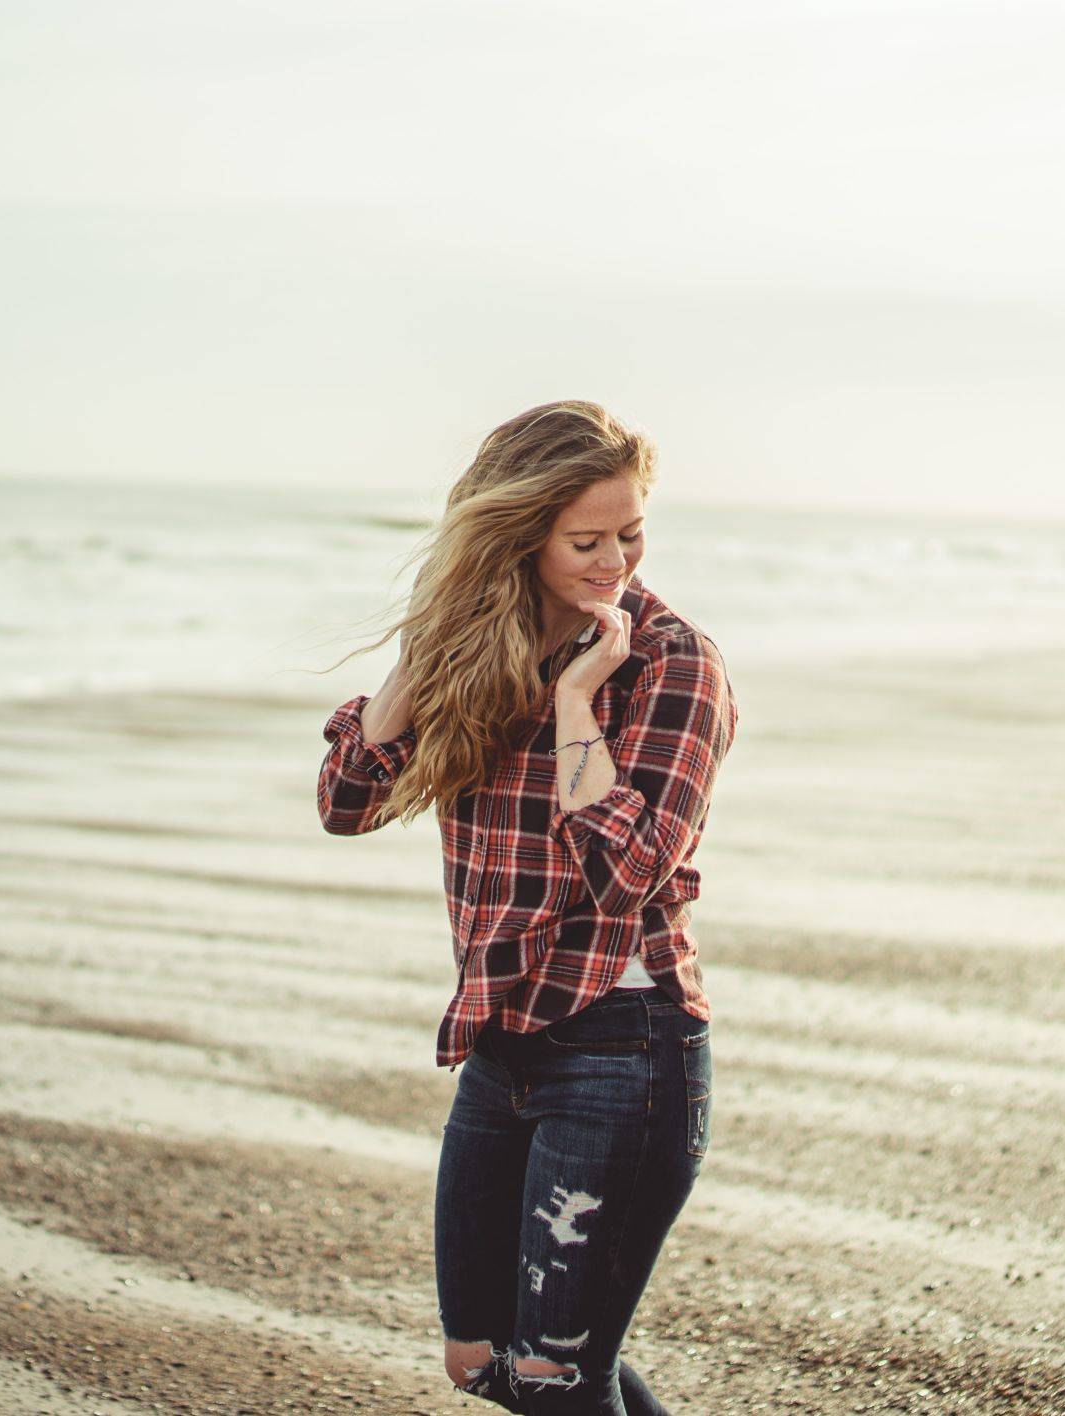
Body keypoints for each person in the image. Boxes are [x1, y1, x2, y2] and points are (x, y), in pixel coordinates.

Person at [314, 400, 738, 1412]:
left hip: (622, 1054)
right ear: (519, 539)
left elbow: (628, 871)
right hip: (501, 1048)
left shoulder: (673, 664)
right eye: (585, 540)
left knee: (555, 1378)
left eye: (629, 534)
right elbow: (346, 802)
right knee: (484, 1362)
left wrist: (574, 706)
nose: (614, 561)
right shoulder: (469, 649)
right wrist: (427, 649)